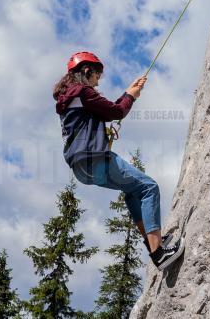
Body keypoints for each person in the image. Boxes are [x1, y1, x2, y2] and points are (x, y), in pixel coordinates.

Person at [54, 51, 184, 271]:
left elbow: (106, 112)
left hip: (80, 168)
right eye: (97, 75)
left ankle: (155, 245)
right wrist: (131, 94)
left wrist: (129, 92)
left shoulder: (68, 98)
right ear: (87, 71)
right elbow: (116, 111)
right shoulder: (84, 91)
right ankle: (159, 254)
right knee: (149, 187)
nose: (98, 81)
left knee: (133, 192)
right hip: (94, 159)